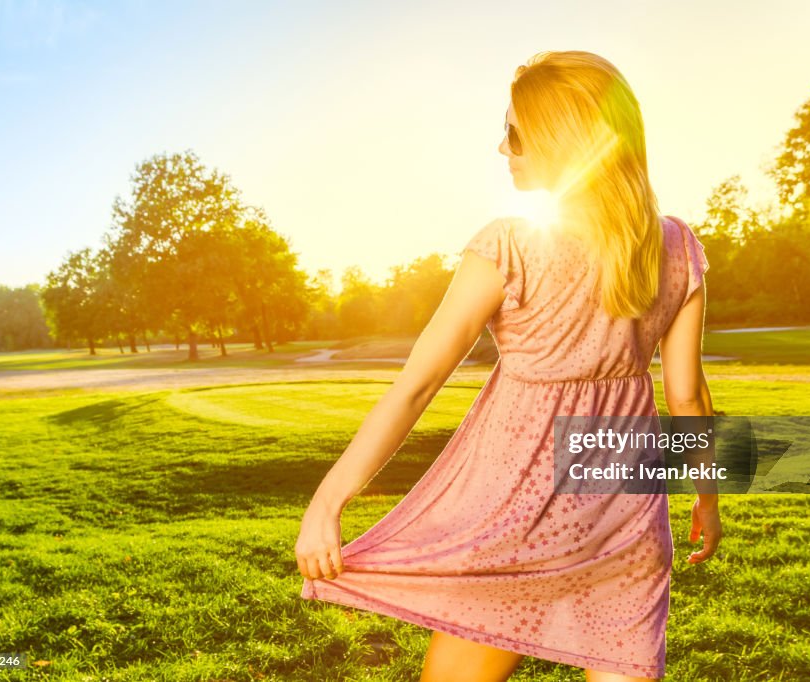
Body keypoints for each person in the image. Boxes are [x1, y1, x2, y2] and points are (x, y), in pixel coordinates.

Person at [295, 50, 722, 682]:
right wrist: (706, 501)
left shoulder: (508, 245)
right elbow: (687, 395)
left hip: (518, 523)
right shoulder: (676, 244)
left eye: (515, 132)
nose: (503, 148)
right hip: (628, 523)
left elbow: (418, 385)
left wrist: (328, 501)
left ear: (558, 141)